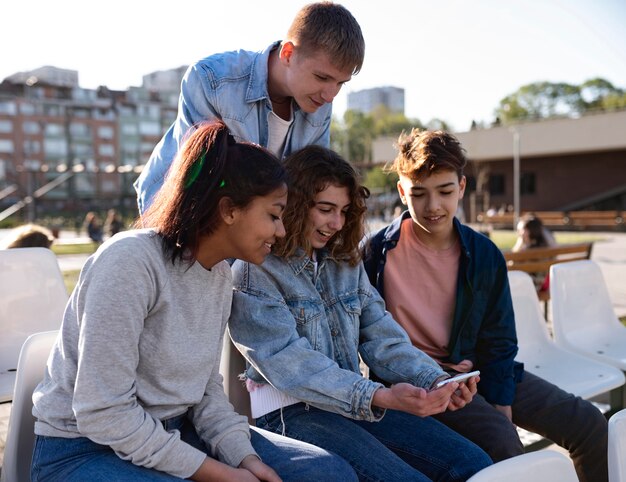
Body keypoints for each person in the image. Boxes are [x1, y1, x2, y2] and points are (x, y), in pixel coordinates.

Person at [31, 121, 357, 482]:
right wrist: (221, 474)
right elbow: (103, 412)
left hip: (180, 431)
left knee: (327, 472)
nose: (281, 231)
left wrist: (245, 459)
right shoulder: (130, 262)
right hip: (84, 450)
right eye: (273, 215)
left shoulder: (218, 276)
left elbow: (205, 391)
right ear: (229, 210)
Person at [228, 145, 492, 481]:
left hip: (355, 404)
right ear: (293, 204)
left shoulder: (344, 262)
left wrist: (435, 379)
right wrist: (379, 396)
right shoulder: (256, 272)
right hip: (291, 411)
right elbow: (295, 368)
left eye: (344, 211)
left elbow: (383, 337)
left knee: (473, 462)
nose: (336, 223)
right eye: (325, 209)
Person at [363, 128, 609, 482]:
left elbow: (499, 338)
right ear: (403, 191)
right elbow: (364, 334)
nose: (433, 206)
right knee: (502, 444)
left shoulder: (483, 254)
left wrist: (501, 402)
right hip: (421, 382)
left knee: (588, 424)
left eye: (445, 191)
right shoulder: (376, 255)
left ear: (461, 187)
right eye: (419, 194)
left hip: (479, 368)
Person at [134, 1, 365, 214]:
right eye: (322, 77)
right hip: (178, 216)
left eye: (340, 83)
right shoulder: (212, 81)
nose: (330, 95)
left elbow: (310, 185)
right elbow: (201, 179)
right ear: (288, 54)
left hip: (255, 229)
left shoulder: (319, 101)